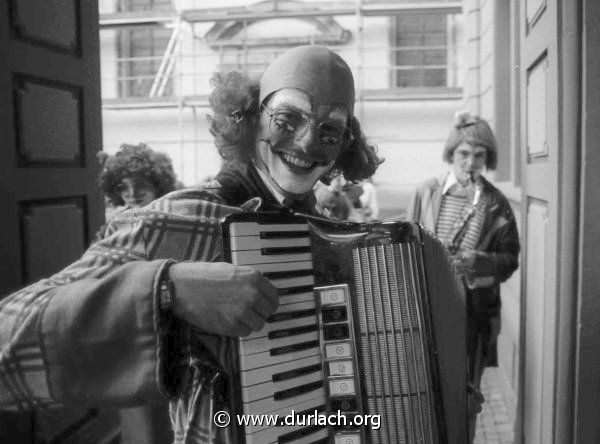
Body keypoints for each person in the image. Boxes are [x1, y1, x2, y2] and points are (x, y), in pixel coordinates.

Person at [0, 46, 381, 443]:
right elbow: (7, 335)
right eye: (287, 119)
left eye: (329, 131)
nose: (307, 144)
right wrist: (170, 289)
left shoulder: (328, 233)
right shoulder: (175, 218)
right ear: (249, 118)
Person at [406, 111, 520, 438]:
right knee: (423, 392)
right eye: (464, 154)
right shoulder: (426, 191)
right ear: (452, 153)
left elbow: (510, 258)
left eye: (479, 156)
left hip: (473, 315)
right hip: (426, 308)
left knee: (465, 398)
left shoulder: (496, 203)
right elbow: (404, 245)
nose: (470, 163)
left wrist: (480, 261)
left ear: (488, 158)